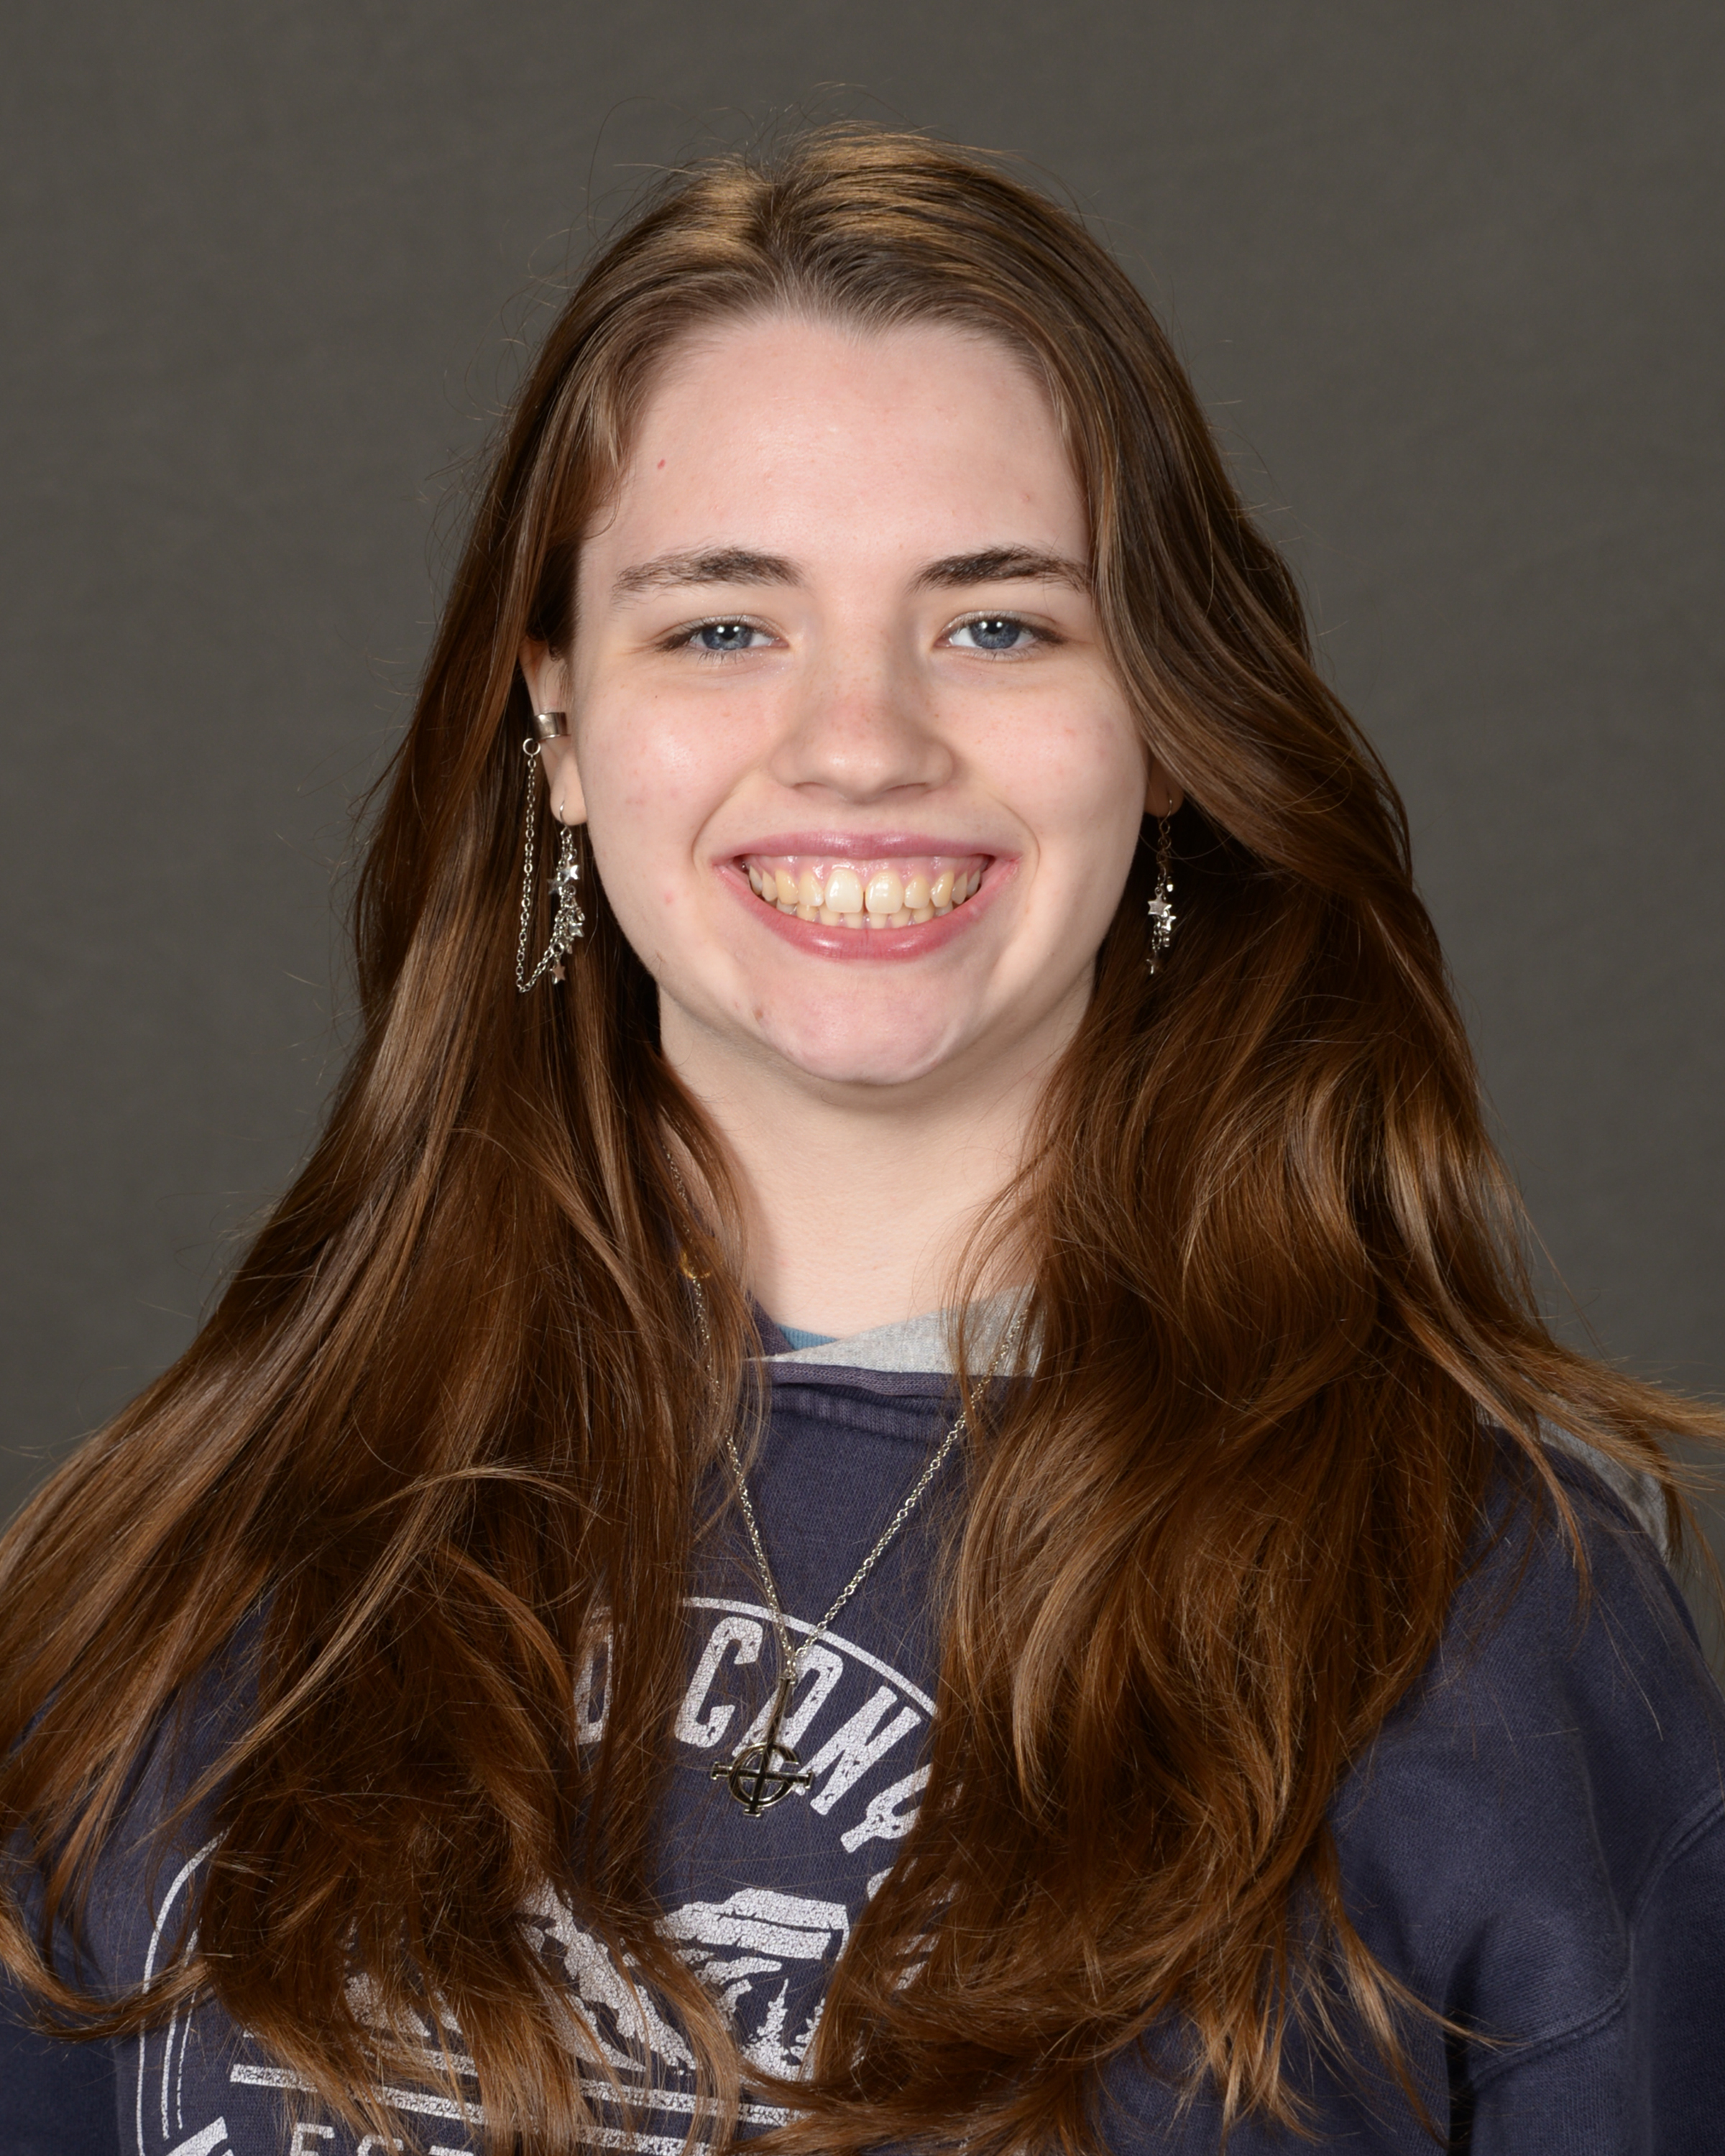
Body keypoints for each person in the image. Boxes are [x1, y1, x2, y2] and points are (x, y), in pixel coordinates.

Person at [2, 124, 1722, 2156]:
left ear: (1166, 727)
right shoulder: (190, 1560)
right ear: (557, 724)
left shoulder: (1481, 1611)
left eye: (998, 625)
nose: (861, 743)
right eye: (723, 626)